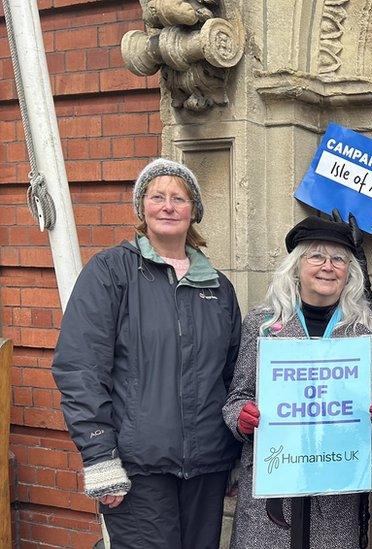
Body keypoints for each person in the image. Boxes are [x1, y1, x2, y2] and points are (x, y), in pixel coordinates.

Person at [52, 158, 242, 549]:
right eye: (157, 197)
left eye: (179, 198)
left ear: (194, 212)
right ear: (142, 208)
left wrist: (235, 453)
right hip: (138, 471)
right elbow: (80, 368)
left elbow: (232, 375)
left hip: (207, 468)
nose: (168, 206)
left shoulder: (219, 289)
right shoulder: (112, 272)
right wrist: (99, 455)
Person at [223, 216, 372, 549]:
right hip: (272, 493)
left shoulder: (368, 333)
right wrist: (242, 417)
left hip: (336, 496)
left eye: (339, 259)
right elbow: (236, 398)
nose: (328, 267)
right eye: (316, 256)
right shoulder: (263, 324)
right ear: (296, 265)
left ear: (350, 271)